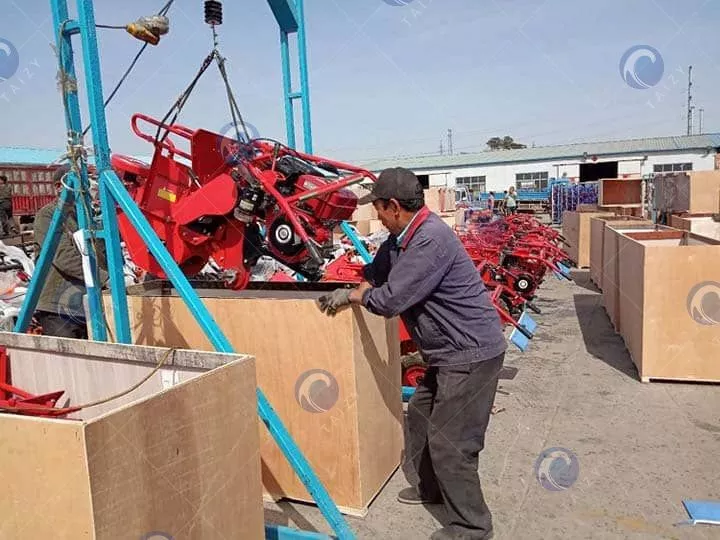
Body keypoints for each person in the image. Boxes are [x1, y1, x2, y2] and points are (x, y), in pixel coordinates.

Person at [317, 167, 506, 540]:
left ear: (393, 206)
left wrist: (354, 296)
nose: (378, 217)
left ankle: (472, 526)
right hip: (446, 352)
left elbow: (391, 299)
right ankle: (433, 490)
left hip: (470, 353)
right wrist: (357, 284)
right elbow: (377, 271)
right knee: (420, 415)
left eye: (379, 209)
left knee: (453, 443)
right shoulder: (402, 237)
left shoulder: (429, 240)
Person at [33, 165, 107, 339]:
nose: (86, 186)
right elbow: (64, 256)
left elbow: (100, 253)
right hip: (57, 307)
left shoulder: (85, 216)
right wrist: (105, 278)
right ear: (59, 187)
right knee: (68, 362)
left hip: (87, 303)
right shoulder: (48, 215)